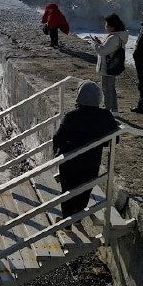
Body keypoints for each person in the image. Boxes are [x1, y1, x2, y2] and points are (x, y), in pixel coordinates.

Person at [53, 81, 118, 218]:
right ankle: (77, 218)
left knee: (68, 190)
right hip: (92, 161)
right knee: (85, 189)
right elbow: (114, 139)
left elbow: (58, 138)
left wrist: (57, 153)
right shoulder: (106, 116)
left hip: (70, 161)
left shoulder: (71, 116)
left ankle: (67, 219)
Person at [89, 13, 129, 116]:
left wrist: (95, 44)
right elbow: (109, 49)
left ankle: (107, 111)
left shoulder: (114, 37)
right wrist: (101, 43)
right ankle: (114, 110)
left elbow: (102, 51)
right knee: (111, 88)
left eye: (107, 25)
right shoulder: (119, 36)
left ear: (112, 26)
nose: (105, 27)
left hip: (108, 66)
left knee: (107, 89)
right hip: (114, 64)